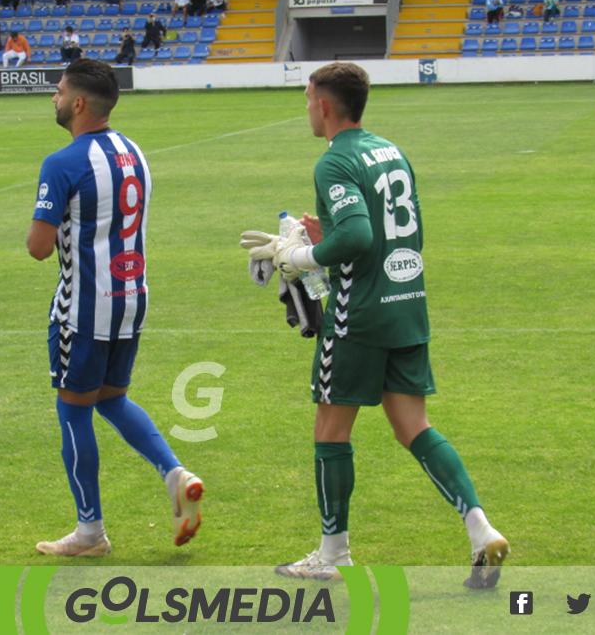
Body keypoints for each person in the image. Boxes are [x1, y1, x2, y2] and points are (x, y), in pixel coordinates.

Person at [242, 62, 509, 587]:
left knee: (330, 429)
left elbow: (360, 237)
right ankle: (480, 528)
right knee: (414, 427)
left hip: (358, 315)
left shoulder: (334, 161)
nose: (307, 108)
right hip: (407, 305)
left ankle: (333, 554)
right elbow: (404, 230)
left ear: (323, 105)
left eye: (307, 98)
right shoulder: (390, 150)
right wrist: (332, 232)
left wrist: (305, 255)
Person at [26, 58, 205, 557]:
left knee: (74, 411)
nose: (55, 98)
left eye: (59, 91)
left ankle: (90, 533)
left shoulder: (62, 163)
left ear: (79, 103)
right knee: (111, 398)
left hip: (83, 308)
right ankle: (175, 473)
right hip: (131, 299)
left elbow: (38, 248)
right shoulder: (134, 153)